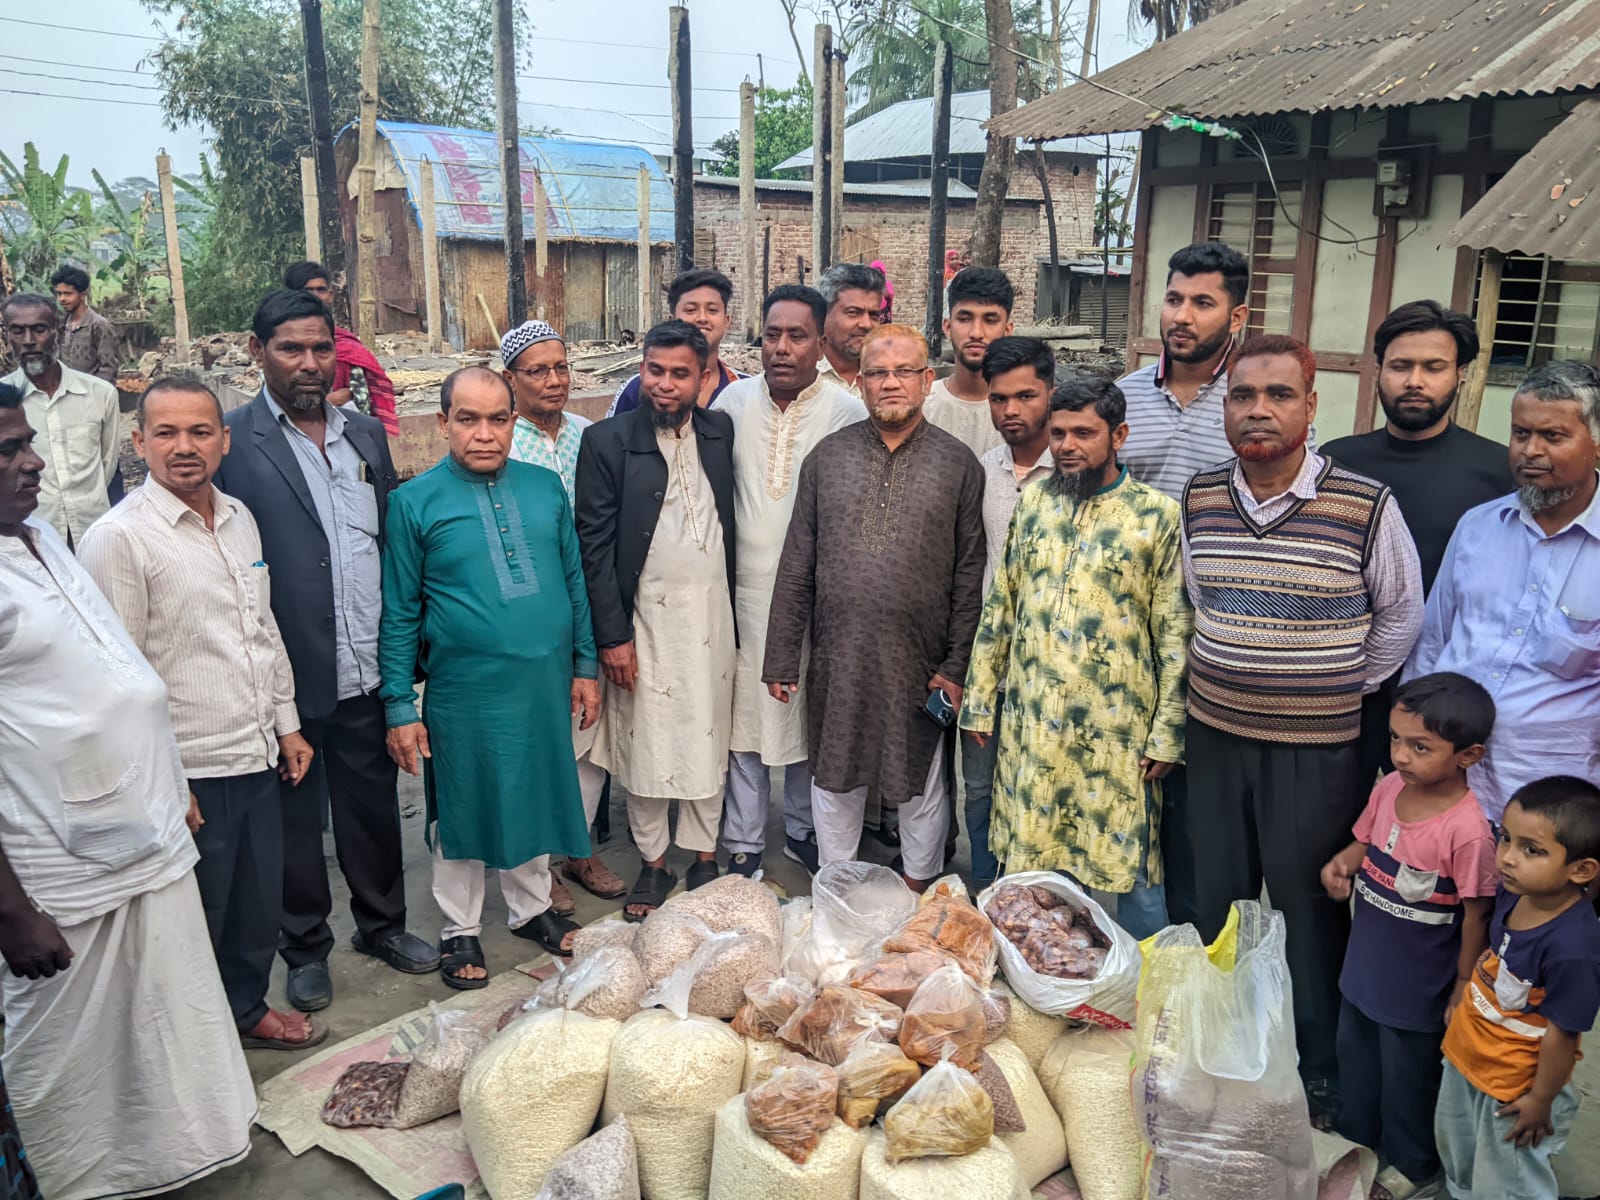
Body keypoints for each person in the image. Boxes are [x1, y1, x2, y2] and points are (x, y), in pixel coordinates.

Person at [0, 379, 257, 1199]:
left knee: (163, 1015)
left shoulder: (36, 535)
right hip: (55, 864)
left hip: (139, 830)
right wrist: (10, 909)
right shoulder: (111, 534)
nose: (32, 460)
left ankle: (162, 1162)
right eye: (8, 450)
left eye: (26, 442)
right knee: (69, 1044)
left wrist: (164, 775)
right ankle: (73, 1179)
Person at [1178, 333, 1424, 1122]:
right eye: (1244, 395)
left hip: (1317, 750)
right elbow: (1199, 601)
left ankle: (1317, 1067)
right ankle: (1220, 1045)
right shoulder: (1201, 495)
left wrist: (1336, 688)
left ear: (1311, 408)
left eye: (1279, 395)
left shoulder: (1364, 505)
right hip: (1213, 734)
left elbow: (1400, 618)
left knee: (1307, 911)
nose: (1259, 410)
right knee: (1216, 900)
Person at [78, 377, 325, 1053]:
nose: (183, 448)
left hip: (253, 751)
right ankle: (194, 1048)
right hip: (189, 770)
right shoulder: (118, 539)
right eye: (165, 433)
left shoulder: (240, 517)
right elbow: (113, 680)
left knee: (255, 903)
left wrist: (288, 723)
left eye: (198, 432)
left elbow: (259, 628)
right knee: (196, 917)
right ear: (139, 443)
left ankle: (245, 1011)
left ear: (224, 440)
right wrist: (163, 779)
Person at [215, 289, 436, 1013]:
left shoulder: (366, 436)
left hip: (368, 665)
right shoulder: (234, 442)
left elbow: (386, 539)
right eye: (291, 349)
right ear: (258, 352)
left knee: (374, 810)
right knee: (296, 826)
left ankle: (382, 928)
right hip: (290, 672)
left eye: (321, 349)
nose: (310, 364)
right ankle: (306, 948)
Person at [382, 367, 598, 983]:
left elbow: (574, 583)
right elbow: (398, 611)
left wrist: (584, 664)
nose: (484, 434)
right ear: (443, 422)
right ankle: (460, 929)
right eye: (468, 419)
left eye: (498, 419)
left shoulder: (544, 488)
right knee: (463, 807)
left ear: (513, 422)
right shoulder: (414, 502)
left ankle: (530, 911)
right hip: (463, 690)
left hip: (544, 684)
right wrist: (400, 703)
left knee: (532, 793)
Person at [963, 374, 1190, 935]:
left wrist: (1168, 732)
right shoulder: (1036, 501)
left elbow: (1174, 631)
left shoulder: (1157, 516)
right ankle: (1044, 972)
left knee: (1132, 865)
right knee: (1034, 860)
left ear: (1119, 436)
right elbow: (1004, 603)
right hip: (1033, 723)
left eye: (1084, 433)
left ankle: (1142, 986)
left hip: (1116, 731)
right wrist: (979, 700)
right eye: (1059, 433)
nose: (1067, 445)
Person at [764, 323, 985, 892]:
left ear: (926, 380)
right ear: (859, 383)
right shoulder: (827, 458)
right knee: (835, 779)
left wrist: (956, 667)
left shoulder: (959, 464)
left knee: (922, 781)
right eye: (878, 373)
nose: (891, 384)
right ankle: (837, 890)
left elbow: (969, 578)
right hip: (839, 659)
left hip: (921, 663)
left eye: (904, 372)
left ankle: (917, 894)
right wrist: (783, 657)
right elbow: (797, 564)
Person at [576, 321, 738, 920]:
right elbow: (592, 547)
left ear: (703, 377)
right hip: (643, 621)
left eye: (679, 374)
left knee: (705, 735)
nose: (664, 386)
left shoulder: (720, 433)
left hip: (712, 620)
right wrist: (612, 637)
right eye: (654, 371)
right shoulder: (607, 441)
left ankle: (701, 855)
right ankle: (652, 862)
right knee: (644, 741)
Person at [1319, 673, 1498, 1200]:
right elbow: (1365, 841)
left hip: (1417, 986)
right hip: (1364, 969)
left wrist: (1464, 982)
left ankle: (1414, 1164)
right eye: (1396, 739)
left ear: (1469, 755)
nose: (1401, 755)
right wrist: (1343, 864)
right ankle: (1357, 1139)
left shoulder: (1468, 832)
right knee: (1357, 1059)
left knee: (1407, 1080)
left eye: (1421, 747)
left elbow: (1476, 915)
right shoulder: (1390, 787)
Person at [1325, 300, 1516, 785]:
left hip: (1446, 693)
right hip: (1345, 686)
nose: (1415, 381)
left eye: (1433, 367)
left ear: (1461, 374)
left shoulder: (1499, 474)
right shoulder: (1335, 465)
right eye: (1401, 366)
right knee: (1331, 831)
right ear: (1379, 371)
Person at [1407, 360, 1600, 826]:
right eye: (1520, 434)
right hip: (1447, 789)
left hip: (1551, 807)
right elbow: (1433, 642)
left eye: (1552, 437)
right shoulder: (1477, 526)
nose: (1530, 451)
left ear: (1596, 443)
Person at [715, 285, 866, 877]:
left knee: (808, 717)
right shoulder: (731, 403)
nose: (782, 348)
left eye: (797, 335)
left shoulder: (847, 412)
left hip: (816, 598)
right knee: (745, 722)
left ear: (821, 343)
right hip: (742, 595)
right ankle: (745, 838)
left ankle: (803, 831)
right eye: (772, 334)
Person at [501, 319, 623, 908]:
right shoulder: (502, 440)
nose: (553, 381)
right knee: (536, 738)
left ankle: (578, 848)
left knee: (585, 734)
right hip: (530, 609)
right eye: (537, 371)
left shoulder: (586, 433)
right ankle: (539, 864)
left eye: (560, 368)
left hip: (589, 602)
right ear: (511, 379)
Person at [1436, 776, 1600, 1200]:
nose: (1507, 858)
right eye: (1506, 838)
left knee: (1508, 1179)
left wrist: (1540, 1102)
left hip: (1516, 1087)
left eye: (1532, 850)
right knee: (1463, 1152)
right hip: (1470, 1057)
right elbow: (1494, 957)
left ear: (1581, 870)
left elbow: (1563, 1034)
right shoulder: (1514, 894)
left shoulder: (1573, 949)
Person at [956, 336, 1056, 889]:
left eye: (1026, 396)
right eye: (999, 399)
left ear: (1051, 394)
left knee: (1041, 785)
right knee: (980, 786)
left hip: (1050, 669)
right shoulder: (982, 469)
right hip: (985, 665)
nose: (1011, 411)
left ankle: (1039, 896)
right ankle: (986, 891)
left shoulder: (1074, 473)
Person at [1118, 241, 1251, 502]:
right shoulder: (1124, 396)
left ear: (1236, 318)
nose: (1181, 317)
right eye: (1174, 300)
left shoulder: (1259, 404)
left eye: (1202, 303)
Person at [1, 293, 120, 546]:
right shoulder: (5, 403)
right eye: (18, 332)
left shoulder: (100, 394)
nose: (29, 341)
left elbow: (107, 466)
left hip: (95, 533)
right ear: (7, 336)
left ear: (60, 332)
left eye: (39, 329)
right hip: (30, 536)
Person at [609, 268, 747, 417]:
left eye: (712, 310)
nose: (702, 318)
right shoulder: (637, 388)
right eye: (690, 310)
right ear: (672, 319)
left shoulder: (744, 389)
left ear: (727, 321)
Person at [283, 261, 399, 436]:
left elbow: (361, 403)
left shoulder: (348, 350)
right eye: (307, 291)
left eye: (321, 290)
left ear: (330, 295)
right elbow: (277, 404)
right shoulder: (280, 349)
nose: (316, 297)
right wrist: (328, 401)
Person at [923, 267, 1016, 458]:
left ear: (1007, 330)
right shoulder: (922, 407)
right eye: (965, 319)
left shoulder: (1023, 415)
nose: (976, 332)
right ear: (948, 327)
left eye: (990, 320)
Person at [815, 262, 886, 395]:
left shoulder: (888, 377)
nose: (867, 324)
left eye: (874, 315)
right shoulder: (802, 377)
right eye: (853, 312)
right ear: (825, 314)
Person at [49, 265, 119, 384]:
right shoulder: (63, 324)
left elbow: (109, 369)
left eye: (68, 294)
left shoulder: (99, 325)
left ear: (82, 295)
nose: (62, 299)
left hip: (91, 395)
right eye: (59, 294)